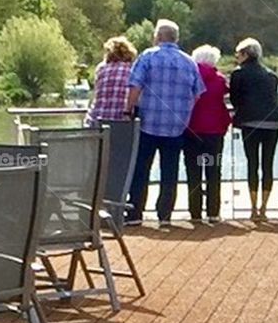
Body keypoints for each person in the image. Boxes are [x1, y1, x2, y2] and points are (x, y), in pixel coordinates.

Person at [124, 20, 204, 227]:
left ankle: (135, 213)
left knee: (141, 168)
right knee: (170, 170)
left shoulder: (148, 57)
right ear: (176, 38)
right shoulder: (189, 62)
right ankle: (165, 214)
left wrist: (128, 109)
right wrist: (184, 111)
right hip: (176, 126)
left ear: (158, 37)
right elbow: (197, 94)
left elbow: (135, 86)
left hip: (148, 123)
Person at [230, 38, 278, 221]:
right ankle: (264, 208)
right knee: (268, 164)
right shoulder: (271, 75)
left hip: (250, 123)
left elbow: (235, 100)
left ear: (245, 54)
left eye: (238, 54)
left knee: (252, 163)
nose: (236, 57)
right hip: (273, 123)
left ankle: (253, 208)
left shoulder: (238, 74)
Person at [184, 45, 231, 224]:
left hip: (192, 130)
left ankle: (195, 212)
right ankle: (213, 211)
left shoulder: (189, 78)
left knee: (193, 171)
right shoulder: (219, 80)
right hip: (214, 132)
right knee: (213, 170)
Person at [85, 36, 138, 128]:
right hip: (123, 124)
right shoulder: (133, 70)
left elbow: (96, 94)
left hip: (98, 122)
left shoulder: (101, 68)